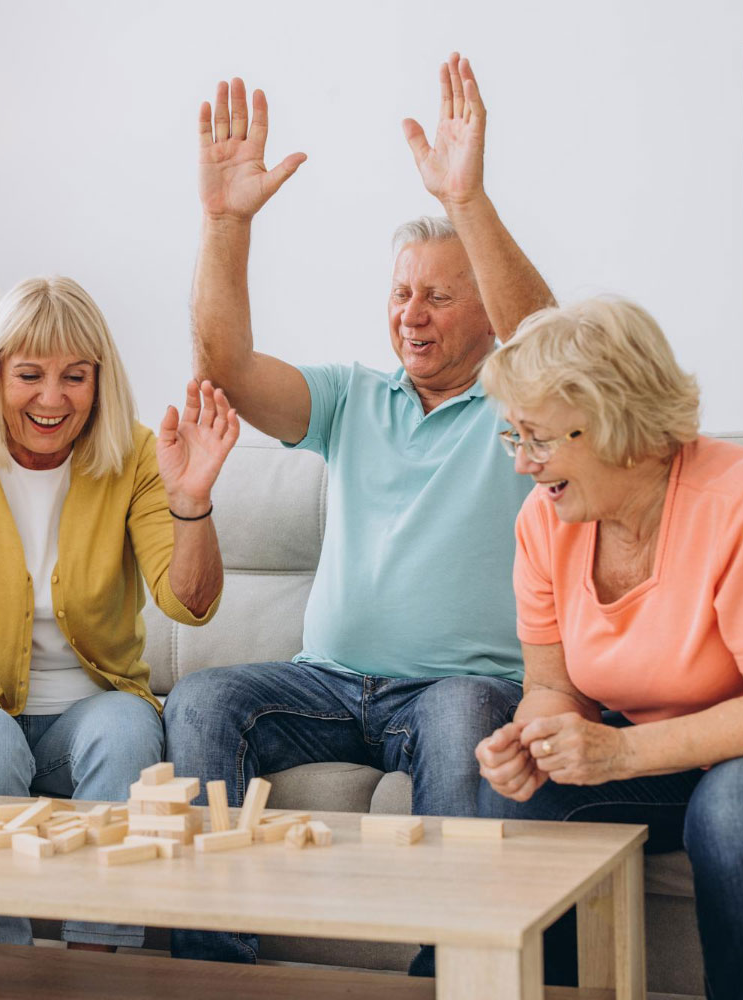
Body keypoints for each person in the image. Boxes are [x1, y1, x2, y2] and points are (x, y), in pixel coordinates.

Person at [163, 56, 554, 966]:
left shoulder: (523, 404)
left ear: (484, 312)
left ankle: (456, 972)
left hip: (457, 688)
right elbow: (224, 363)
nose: (411, 314)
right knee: (203, 698)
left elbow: (549, 343)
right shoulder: (350, 399)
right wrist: (225, 222)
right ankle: (211, 967)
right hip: (328, 684)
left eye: (439, 295)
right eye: (399, 293)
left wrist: (468, 202)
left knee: (463, 720)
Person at [474, 297, 743, 999]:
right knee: (528, 801)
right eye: (513, 437)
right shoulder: (544, 521)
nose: (524, 463)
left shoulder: (741, 498)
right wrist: (536, 739)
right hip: (692, 746)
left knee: (736, 804)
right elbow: (554, 686)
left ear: (618, 425)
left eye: (541, 439)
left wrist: (615, 752)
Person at [0, 275, 238, 950]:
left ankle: (101, 966)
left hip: (92, 705)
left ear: (99, 381)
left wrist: (192, 500)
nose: (51, 398)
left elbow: (190, 605)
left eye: (75, 376)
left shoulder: (132, 456)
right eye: (29, 375)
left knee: (129, 733)